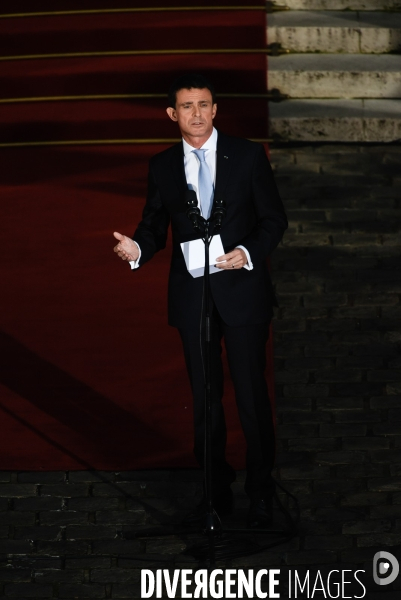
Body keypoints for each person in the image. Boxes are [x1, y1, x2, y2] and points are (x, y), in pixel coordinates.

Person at [113, 73, 287, 527]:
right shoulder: (163, 165)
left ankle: (262, 491)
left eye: (204, 105)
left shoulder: (248, 155)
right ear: (173, 114)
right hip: (194, 296)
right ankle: (215, 494)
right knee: (204, 399)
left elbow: (273, 220)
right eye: (187, 106)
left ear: (215, 110)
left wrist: (246, 253)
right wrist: (138, 248)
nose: (196, 113)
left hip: (243, 291)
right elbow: (153, 226)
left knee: (251, 396)